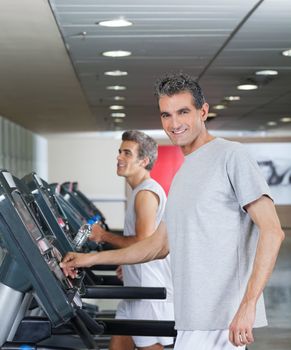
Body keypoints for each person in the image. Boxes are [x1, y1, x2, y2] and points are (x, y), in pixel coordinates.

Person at [61, 73, 284, 350]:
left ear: (203, 111)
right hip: (192, 318)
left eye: (183, 112)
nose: (174, 123)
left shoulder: (231, 156)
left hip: (221, 322)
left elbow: (272, 231)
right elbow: (156, 245)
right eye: (166, 115)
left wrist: (248, 305)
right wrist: (89, 260)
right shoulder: (184, 172)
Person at [89, 130, 174, 350]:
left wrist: (103, 236)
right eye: (120, 152)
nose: (119, 157)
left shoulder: (146, 194)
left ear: (144, 161)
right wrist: (127, 263)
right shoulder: (140, 191)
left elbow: (143, 243)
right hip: (135, 288)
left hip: (148, 290)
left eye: (127, 153)